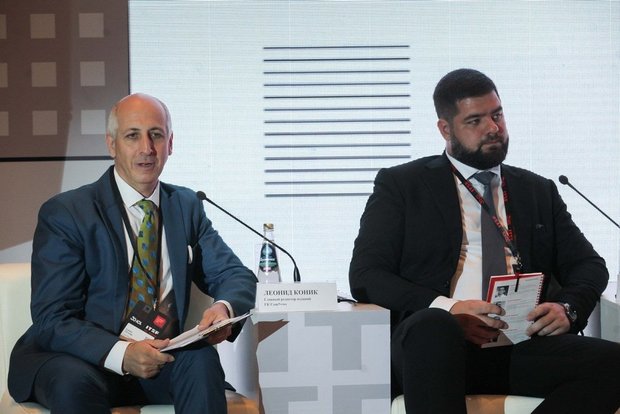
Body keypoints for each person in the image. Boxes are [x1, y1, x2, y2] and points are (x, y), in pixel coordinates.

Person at [349, 69, 620, 413]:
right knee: (433, 326)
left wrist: (567, 308)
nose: (493, 128)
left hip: (517, 341)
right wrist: (450, 309)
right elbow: (367, 275)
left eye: (497, 115)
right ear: (445, 129)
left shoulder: (536, 190)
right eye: (475, 121)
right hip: (433, 348)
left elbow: (589, 266)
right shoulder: (403, 185)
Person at [8, 93, 257, 413]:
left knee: (201, 360)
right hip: (82, 360)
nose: (146, 148)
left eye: (156, 135)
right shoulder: (68, 212)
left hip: (158, 354)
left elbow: (234, 274)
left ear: (170, 143)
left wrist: (223, 307)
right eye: (132, 136)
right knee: (72, 383)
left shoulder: (185, 206)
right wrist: (121, 354)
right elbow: (53, 317)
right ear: (111, 144)